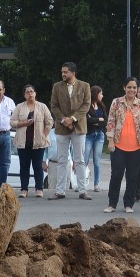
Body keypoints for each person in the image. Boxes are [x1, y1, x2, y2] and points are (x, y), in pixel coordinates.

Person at [104, 77, 140, 214]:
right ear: (124, 88)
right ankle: (112, 203)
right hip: (118, 145)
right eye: (129, 87)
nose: (132, 90)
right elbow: (111, 121)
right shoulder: (116, 102)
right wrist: (110, 140)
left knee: (133, 176)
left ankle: (128, 204)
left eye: (134, 88)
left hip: (136, 146)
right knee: (116, 175)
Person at [48, 62, 92, 200]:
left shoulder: (85, 86)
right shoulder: (57, 86)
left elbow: (86, 105)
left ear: (73, 73)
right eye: (62, 72)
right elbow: (54, 106)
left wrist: (72, 119)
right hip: (62, 127)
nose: (63, 74)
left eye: (65, 72)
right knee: (61, 160)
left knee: (79, 159)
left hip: (79, 127)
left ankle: (82, 190)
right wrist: (64, 120)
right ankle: (60, 191)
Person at [13, 84, 54, 198]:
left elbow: (50, 121)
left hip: (38, 143)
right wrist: (23, 123)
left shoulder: (42, 107)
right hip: (23, 142)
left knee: (37, 166)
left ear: (35, 93)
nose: (30, 93)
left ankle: (39, 189)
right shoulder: (19, 107)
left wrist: (44, 135)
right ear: (24, 95)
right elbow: (12, 122)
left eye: (32, 91)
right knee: (24, 166)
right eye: (27, 92)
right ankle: (24, 189)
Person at [85, 85, 107, 193]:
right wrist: (98, 119)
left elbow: (106, 121)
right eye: (101, 93)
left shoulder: (102, 106)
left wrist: (95, 120)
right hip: (89, 135)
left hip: (100, 135)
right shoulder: (87, 106)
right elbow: (87, 121)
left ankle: (96, 184)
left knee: (97, 160)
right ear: (96, 94)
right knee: (84, 159)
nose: (102, 95)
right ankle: (81, 183)